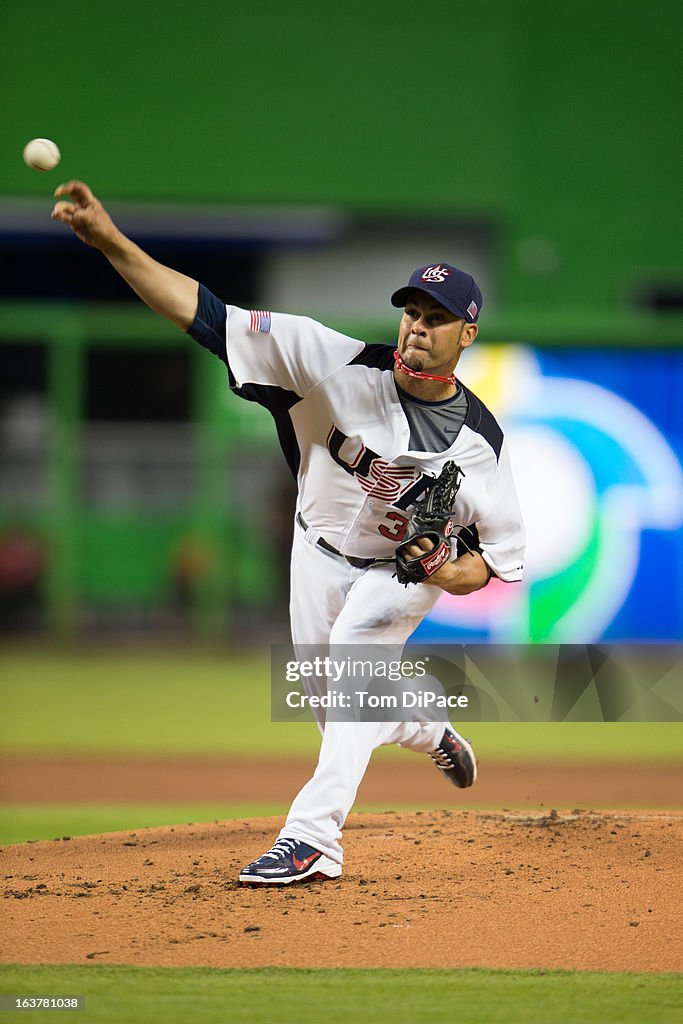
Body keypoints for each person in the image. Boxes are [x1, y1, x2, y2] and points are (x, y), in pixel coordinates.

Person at [52, 181, 526, 886]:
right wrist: (112, 243)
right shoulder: (326, 361)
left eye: (436, 317)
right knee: (333, 701)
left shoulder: (482, 444)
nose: (416, 326)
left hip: (392, 579)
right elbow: (203, 315)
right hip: (315, 552)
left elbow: (492, 566)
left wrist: (440, 570)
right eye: (411, 312)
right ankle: (426, 727)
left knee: (358, 652)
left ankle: (310, 839)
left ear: (467, 334)